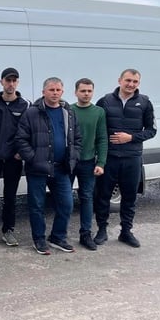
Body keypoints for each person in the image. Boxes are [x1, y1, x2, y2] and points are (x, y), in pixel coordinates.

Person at [16, 77, 81, 255]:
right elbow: (21, 139)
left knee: (67, 205)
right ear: (43, 92)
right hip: (38, 168)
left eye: (58, 90)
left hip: (62, 168)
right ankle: (39, 239)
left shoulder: (68, 112)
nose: (55, 93)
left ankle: (58, 236)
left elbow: (77, 139)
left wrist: (74, 155)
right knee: (37, 206)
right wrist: (33, 158)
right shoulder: (31, 113)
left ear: (62, 92)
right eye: (51, 90)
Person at [94, 69, 157, 248]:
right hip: (109, 157)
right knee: (102, 196)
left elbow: (152, 130)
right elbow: (98, 129)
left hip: (132, 158)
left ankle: (126, 232)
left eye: (135, 81)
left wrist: (131, 137)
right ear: (119, 80)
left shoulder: (144, 102)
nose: (131, 84)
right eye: (128, 80)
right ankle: (101, 230)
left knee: (129, 197)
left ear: (138, 83)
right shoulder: (105, 101)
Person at [0, 67, 31, 246]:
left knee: (10, 196)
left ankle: (8, 230)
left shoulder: (25, 105)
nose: (10, 84)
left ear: (17, 83)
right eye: (7, 80)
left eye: (14, 80)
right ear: (1, 82)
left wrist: (20, 152)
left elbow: (27, 132)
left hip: (13, 159)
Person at [69, 78, 108, 251]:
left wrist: (101, 162)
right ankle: (59, 233)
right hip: (68, 162)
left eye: (89, 91)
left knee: (86, 198)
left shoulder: (98, 112)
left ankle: (85, 234)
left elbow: (102, 138)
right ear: (76, 92)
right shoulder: (68, 110)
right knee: (63, 199)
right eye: (83, 91)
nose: (86, 94)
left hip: (88, 162)